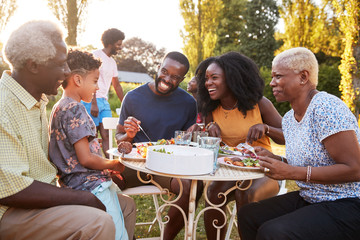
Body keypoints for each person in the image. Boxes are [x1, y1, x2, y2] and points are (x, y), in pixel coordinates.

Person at [0, 20, 135, 240]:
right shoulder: (4, 108)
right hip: (10, 212)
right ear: (34, 65)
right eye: (61, 64)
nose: (66, 73)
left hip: (36, 199)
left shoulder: (37, 102)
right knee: (98, 222)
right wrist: (81, 197)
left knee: (126, 207)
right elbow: (11, 189)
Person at [237, 47, 360, 240]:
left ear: (303, 77)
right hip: (312, 198)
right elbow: (309, 160)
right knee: (249, 215)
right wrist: (275, 159)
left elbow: (355, 169)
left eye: (278, 76)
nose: (272, 83)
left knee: (274, 232)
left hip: (348, 203)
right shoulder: (289, 119)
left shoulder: (326, 107)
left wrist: (292, 172)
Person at [192, 51, 284, 240]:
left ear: (232, 78)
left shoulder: (259, 104)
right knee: (212, 194)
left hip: (263, 169)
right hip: (230, 169)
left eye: (214, 77)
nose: (208, 82)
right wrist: (208, 127)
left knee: (246, 194)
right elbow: (207, 141)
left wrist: (266, 128)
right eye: (207, 78)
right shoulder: (211, 108)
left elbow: (288, 137)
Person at [115, 51, 203, 240]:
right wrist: (128, 136)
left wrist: (192, 137)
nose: (167, 79)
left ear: (182, 79)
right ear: (158, 68)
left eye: (175, 77)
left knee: (192, 186)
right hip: (134, 165)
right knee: (104, 183)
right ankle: (122, 235)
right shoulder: (132, 97)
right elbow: (119, 139)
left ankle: (166, 238)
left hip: (167, 168)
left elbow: (188, 143)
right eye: (164, 71)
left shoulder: (188, 102)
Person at [49, 49, 131, 240]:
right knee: (117, 234)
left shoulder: (59, 107)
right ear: (78, 80)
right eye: (95, 81)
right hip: (91, 185)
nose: (97, 88)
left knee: (123, 214)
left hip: (76, 183)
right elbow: (85, 159)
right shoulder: (75, 109)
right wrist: (114, 164)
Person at [82, 28, 125, 158]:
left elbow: (116, 85)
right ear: (110, 43)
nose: (120, 47)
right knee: (92, 135)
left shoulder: (112, 62)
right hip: (92, 100)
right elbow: (90, 80)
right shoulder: (95, 55)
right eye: (118, 44)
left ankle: (108, 164)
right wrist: (93, 102)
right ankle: (93, 163)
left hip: (104, 102)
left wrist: (126, 103)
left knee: (106, 134)